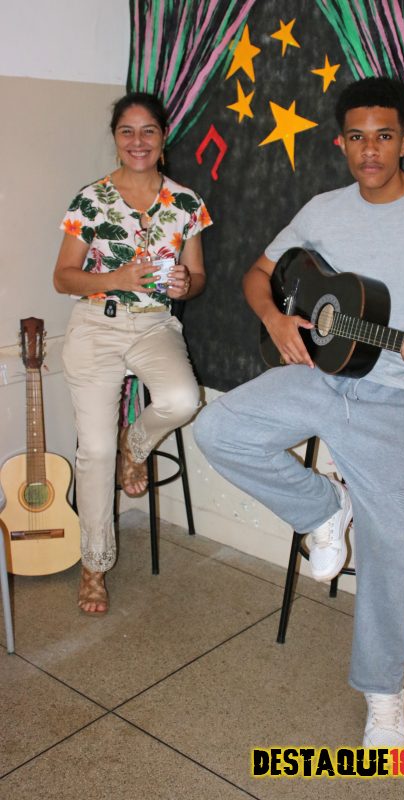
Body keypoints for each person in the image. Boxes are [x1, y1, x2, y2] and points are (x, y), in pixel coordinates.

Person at [193, 76, 404, 746]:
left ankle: (383, 691)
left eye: (383, 136)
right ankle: (324, 507)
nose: (369, 150)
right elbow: (257, 275)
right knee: (217, 429)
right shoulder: (322, 209)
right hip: (322, 376)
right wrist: (275, 319)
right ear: (340, 143)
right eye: (357, 137)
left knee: (390, 540)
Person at [54, 92, 212, 615]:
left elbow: (197, 277)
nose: (138, 141)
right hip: (95, 327)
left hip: (153, 325)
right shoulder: (91, 199)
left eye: (148, 131)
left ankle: (136, 443)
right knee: (95, 453)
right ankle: (94, 565)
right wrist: (116, 278)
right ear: (116, 138)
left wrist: (186, 283)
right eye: (127, 131)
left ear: (163, 138)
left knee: (183, 399)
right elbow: (63, 278)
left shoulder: (186, 202)